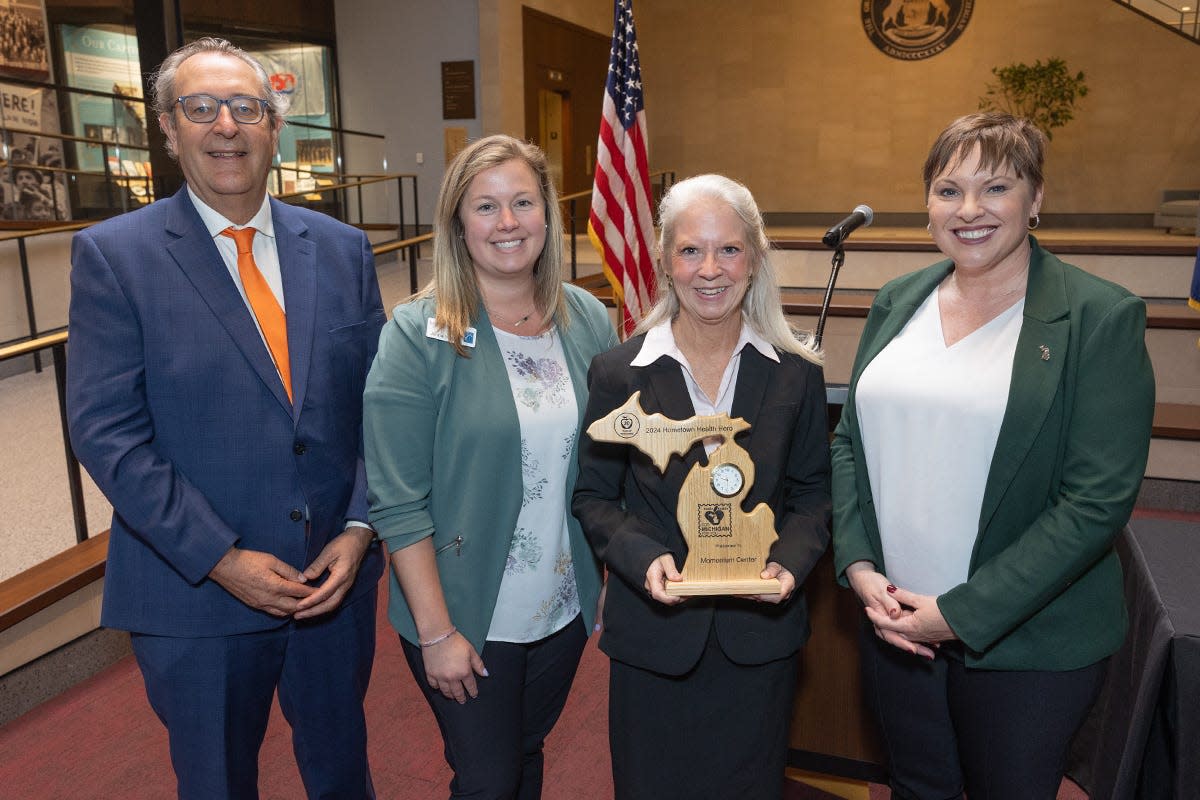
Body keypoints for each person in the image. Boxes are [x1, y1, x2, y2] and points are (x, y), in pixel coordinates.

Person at [66, 38, 384, 799]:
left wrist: (360, 526)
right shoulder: (115, 257)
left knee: (343, 776)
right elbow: (107, 431)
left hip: (331, 584)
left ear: (275, 127)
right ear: (168, 131)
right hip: (196, 591)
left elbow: (384, 409)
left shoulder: (342, 250)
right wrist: (221, 558)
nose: (226, 127)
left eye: (246, 108)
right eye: (200, 108)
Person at [831, 113, 1156, 800]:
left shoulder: (1100, 317)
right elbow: (849, 445)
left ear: (1036, 200)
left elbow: (1095, 501)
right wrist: (859, 566)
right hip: (894, 624)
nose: (969, 210)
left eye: (997, 188)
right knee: (918, 789)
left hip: (1028, 642)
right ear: (928, 207)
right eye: (948, 190)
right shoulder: (896, 301)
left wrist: (961, 614)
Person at [363, 134, 618, 799]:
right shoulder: (418, 334)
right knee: (487, 780)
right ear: (457, 222)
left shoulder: (586, 317)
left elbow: (610, 456)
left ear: (546, 216)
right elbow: (396, 501)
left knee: (525, 756)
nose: (507, 223)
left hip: (561, 605)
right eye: (485, 206)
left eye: (523, 202)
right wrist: (437, 632)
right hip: (465, 612)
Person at [573, 174, 831, 799]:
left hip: (758, 637)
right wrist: (643, 557)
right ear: (664, 260)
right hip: (654, 639)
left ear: (755, 258)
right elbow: (594, 497)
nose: (709, 269)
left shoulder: (796, 373)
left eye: (729, 250)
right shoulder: (618, 372)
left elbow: (813, 497)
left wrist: (788, 565)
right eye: (690, 250)